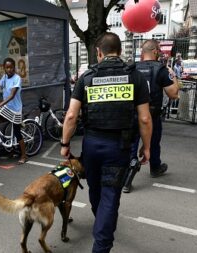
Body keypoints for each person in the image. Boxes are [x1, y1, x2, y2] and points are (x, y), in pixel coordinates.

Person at [60, 32, 152, 253]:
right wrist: (147, 147)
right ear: (120, 51)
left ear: (99, 53)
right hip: (118, 147)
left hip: (91, 146)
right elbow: (145, 118)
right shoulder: (135, 77)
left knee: (96, 191)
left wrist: (65, 144)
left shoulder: (87, 77)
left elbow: (71, 116)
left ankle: (102, 226)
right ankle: (102, 240)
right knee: (110, 195)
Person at [123, 40, 179, 193]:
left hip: (131, 113)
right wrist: (172, 74)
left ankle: (127, 179)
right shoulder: (160, 69)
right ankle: (155, 167)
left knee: (132, 145)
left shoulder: (130, 69)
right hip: (151, 114)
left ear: (142, 51)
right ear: (155, 51)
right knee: (153, 143)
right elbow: (174, 94)